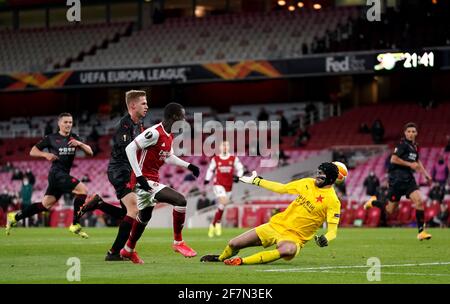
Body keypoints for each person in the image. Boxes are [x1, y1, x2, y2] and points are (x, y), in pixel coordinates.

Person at [200, 162, 342, 266]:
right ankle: (220, 258)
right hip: (276, 226)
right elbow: (281, 188)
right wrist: (257, 181)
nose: (317, 177)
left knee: (288, 250)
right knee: (234, 243)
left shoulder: (333, 201)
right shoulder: (307, 183)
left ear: (330, 179)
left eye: (321, 176)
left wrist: (326, 238)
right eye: (317, 173)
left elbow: (333, 232)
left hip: (295, 237)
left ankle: (241, 261)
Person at [120, 102, 200, 264]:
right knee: (180, 200)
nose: (184, 120)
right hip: (143, 180)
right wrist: (140, 176)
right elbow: (130, 148)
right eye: (182, 117)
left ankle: (128, 250)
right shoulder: (154, 132)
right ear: (175, 117)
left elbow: (168, 156)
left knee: (144, 217)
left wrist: (189, 166)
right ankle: (178, 242)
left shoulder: (169, 135)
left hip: (151, 179)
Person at [77, 90, 148, 261]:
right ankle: (114, 252)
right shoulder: (125, 125)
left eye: (146, 103)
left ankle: (99, 203)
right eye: (143, 103)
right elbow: (128, 149)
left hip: (128, 170)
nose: (147, 106)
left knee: (127, 214)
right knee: (134, 210)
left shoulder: (139, 125)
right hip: (120, 170)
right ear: (133, 105)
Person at [6, 113, 96, 238]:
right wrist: (45, 155)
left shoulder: (74, 138)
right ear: (59, 123)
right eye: (65, 122)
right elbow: (33, 151)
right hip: (56, 174)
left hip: (62, 175)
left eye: (70, 122)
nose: (68, 124)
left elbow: (90, 152)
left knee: (45, 205)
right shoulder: (51, 138)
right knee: (83, 190)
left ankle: (15, 217)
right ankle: (75, 224)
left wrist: (79, 144)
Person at [364, 122, 433, 241]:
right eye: (409, 131)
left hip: (409, 179)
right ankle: (373, 202)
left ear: (416, 133)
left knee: (419, 201)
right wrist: (409, 164)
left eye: (413, 131)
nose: (411, 134)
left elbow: (417, 162)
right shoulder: (402, 145)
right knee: (390, 210)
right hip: (396, 180)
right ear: (405, 133)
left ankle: (421, 232)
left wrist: (426, 174)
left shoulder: (415, 146)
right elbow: (393, 159)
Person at [204, 141, 243, 238]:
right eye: (223, 146)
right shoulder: (216, 159)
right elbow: (210, 169)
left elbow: (240, 168)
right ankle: (217, 223)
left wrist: (239, 176)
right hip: (218, 185)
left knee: (222, 206)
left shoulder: (233, 158)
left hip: (229, 186)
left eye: (227, 145)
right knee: (224, 201)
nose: (225, 147)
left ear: (229, 147)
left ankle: (214, 224)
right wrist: (207, 179)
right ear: (220, 148)